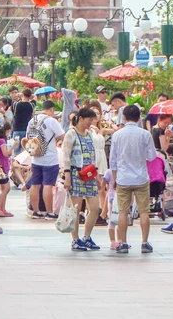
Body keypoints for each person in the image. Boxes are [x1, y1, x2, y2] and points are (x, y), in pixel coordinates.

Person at [109, 103, 157, 254]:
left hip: (123, 178)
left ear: (124, 117)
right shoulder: (145, 134)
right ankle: (144, 242)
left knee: (123, 211)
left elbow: (113, 160)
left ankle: (123, 243)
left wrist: (114, 178)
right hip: (141, 177)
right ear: (139, 117)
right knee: (144, 211)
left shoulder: (117, 135)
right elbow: (152, 156)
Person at [62, 107, 101, 251]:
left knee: (95, 208)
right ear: (81, 118)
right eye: (89, 120)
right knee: (76, 209)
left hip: (89, 175)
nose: (90, 123)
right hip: (75, 174)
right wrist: (67, 176)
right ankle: (75, 239)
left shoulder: (89, 134)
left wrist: (96, 175)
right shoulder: (71, 134)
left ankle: (87, 236)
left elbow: (92, 156)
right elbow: (66, 156)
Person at [27, 99, 65, 219]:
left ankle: (36, 211)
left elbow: (28, 137)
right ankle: (49, 212)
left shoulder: (32, 121)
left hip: (36, 158)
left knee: (35, 185)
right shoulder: (51, 121)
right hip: (50, 159)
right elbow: (62, 136)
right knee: (48, 185)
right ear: (52, 109)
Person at [0, 125, 13, 217]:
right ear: (7, 131)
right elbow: (5, 153)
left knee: (3, 188)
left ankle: (2, 208)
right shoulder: (2, 141)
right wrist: (13, 147)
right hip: (2, 166)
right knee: (6, 188)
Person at [11, 88, 34, 154]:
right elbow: (34, 98)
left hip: (17, 129)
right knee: (25, 150)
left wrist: (18, 96)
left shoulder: (16, 104)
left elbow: (13, 111)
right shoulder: (31, 105)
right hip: (27, 129)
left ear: (22, 94)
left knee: (16, 151)